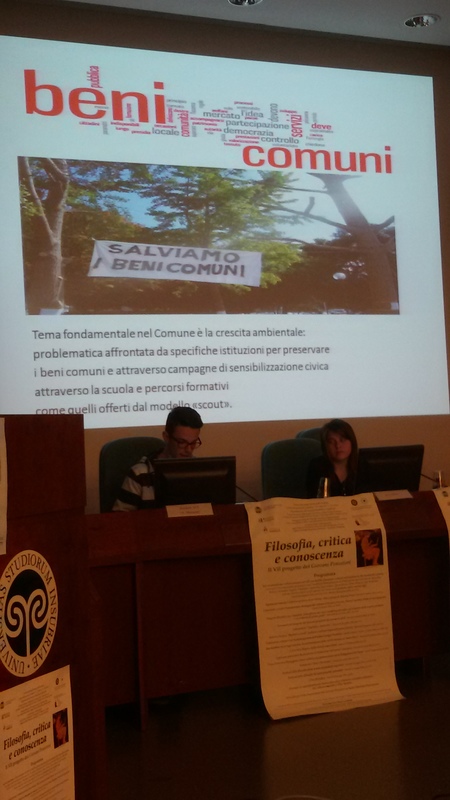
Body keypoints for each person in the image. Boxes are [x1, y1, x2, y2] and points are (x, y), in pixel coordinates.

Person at [113, 405, 204, 511]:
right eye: (182, 442)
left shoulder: (199, 472)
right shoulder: (140, 475)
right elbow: (120, 518)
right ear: (166, 437)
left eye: (193, 443)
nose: (188, 449)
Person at [306, 418, 358, 497]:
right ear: (325, 446)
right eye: (331, 442)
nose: (338, 446)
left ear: (352, 442)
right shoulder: (317, 467)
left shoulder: (362, 465)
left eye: (342, 440)